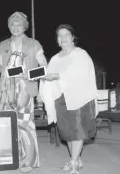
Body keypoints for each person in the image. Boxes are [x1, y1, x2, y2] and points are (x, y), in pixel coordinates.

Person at [0, 12, 48, 173]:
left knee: (25, 126)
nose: (15, 28)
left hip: (25, 90)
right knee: (7, 124)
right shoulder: (3, 44)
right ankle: (9, 158)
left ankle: (29, 161)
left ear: (25, 26)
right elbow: (2, 68)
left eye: (19, 24)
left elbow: (44, 68)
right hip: (6, 91)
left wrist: (27, 75)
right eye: (12, 25)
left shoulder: (33, 43)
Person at [40, 24, 97, 174]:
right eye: (60, 35)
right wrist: (44, 78)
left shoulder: (80, 54)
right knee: (67, 133)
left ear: (73, 38)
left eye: (66, 35)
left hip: (79, 98)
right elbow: (49, 74)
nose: (63, 38)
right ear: (57, 40)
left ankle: (73, 164)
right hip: (61, 99)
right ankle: (76, 160)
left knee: (77, 132)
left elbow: (80, 73)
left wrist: (58, 76)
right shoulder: (54, 58)